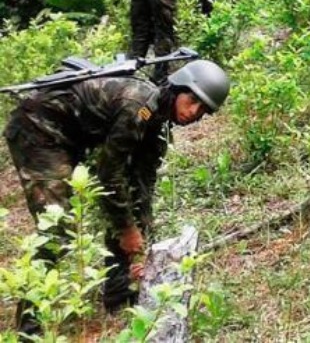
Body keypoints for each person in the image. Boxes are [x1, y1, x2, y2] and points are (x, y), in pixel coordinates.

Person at [5, 60, 230, 333]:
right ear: (178, 88)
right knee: (57, 229)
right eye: (192, 100)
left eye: (203, 109)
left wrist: (143, 241)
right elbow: (109, 174)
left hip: (71, 136)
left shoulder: (156, 122)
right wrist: (127, 230)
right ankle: (29, 328)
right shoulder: (137, 107)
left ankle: (118, 289)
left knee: (130, 210)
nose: (193, 111)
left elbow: (141, 186)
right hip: (39, 129)